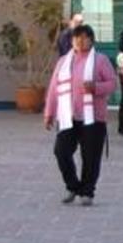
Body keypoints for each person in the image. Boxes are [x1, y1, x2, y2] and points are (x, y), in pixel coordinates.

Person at [44, 25, 118, 205]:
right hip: (68, 116)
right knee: (61, 151)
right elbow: (54, 88)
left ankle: (87, 192)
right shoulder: (63, 61)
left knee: (90, 156)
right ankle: (73, 186)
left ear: (92, 40)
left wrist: (96, 87)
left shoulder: (100, 60)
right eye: (77, 38)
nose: (80, 41)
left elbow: (112, 84)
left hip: (93, 118)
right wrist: (49, 112)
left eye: (85, 38)